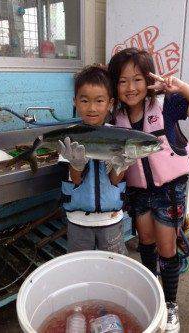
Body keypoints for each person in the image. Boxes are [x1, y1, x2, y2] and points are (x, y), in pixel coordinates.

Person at [108, 48, 189, 332]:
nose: (131, 88)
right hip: (139, 192)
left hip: (169, 191)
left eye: (138, 79)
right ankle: (152, 289)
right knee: (145, 242)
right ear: (114, 85)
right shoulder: (114, 118)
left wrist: (179, 86)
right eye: (122, 81)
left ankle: (170, 305)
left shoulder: (167, 105)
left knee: (167, 248)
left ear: (148, 81)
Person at [58, 65, 134, 255]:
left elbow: (115, 180)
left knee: (113, 268)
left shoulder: (119, 136)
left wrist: (120, 165)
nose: (91, 108)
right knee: (80, 268)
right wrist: (76, 165)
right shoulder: (68, 138)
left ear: (110, 103)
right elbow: (75, 180)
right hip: (78, 221)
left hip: (111, 219)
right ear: (75, 101)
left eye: (99, 101)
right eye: (84, 100)